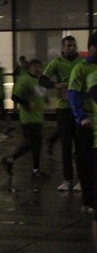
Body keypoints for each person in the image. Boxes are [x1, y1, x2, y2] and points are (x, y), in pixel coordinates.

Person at [42, 36, 82, 192]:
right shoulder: (56, 63)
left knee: (81, 146)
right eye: (68, 46)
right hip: (63, 109)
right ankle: (68, 180)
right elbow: (43, 80)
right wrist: (56, 85)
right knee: (66, 145)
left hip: (80, 108)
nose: (71, 48)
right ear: (63, 48)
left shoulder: (82, 62)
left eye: (73, 45)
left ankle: (81, 180)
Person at [2, 59, 46, 188]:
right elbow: (14, 97)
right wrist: (27, 104)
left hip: (38, 117)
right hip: (28, 118)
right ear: (30, 68)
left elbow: (39, 94)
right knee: (33, 143)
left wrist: (46, 99)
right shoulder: (25, 80)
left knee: (34, 144)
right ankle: (32, 168)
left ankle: (13, 160)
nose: (38, 69)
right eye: (35, 66)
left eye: (40, 67)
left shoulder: (39, 80)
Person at [67, 32, 97, 212]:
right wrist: (82, 117)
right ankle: (89, 200)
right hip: (88, 125)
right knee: (87, 163)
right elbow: (73, 94)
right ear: (92, 47)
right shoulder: (81, 69)